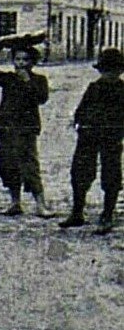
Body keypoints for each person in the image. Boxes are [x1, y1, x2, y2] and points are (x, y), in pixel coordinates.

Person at [0, 37, 53, 216]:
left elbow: (42, 98)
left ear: (32, 63)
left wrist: (28, 81)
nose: (21, 63)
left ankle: (40, 204)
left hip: (26, 129)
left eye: (25, 60)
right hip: (7, 127)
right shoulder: (8, 79)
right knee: (7, 164)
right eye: (18, 59)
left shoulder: (39, 80)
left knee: (29, 165)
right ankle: (15, 202)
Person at [58, 46, 124, 234]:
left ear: (120, 71)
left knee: (111, 174)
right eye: (105, 71)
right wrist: (78, 121)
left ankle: (107, 214)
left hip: (112, 137)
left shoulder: (122, 90)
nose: (108, 75)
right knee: (80, 172)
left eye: (113, 71)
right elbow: (82, 107)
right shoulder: (94, 87)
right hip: (88, 135)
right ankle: (77, 211)